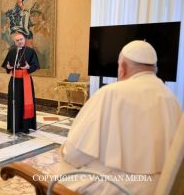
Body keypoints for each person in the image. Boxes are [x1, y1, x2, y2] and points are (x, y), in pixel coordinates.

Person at [59, 40, 182, 194]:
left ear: (122, 68)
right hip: (159, 188)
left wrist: (64, 151)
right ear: (154, 69)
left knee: (63, 165)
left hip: (118, 188)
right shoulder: (171, 98)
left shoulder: (110, 93)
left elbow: (74, 154)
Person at [1, 32, 40, 134]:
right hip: (14, 81)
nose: (20, 42)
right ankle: (14, 126)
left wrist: (29, 67)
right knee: (14, 103)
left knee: (25, 102)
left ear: (24, 40)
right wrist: (8, 67)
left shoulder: (31, 51)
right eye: (17, 40)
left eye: (21, 39)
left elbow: (35, 65)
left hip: (26, 80)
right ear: (15, 42)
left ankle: (25, 127)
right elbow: (6, 64)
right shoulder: (12, 51)